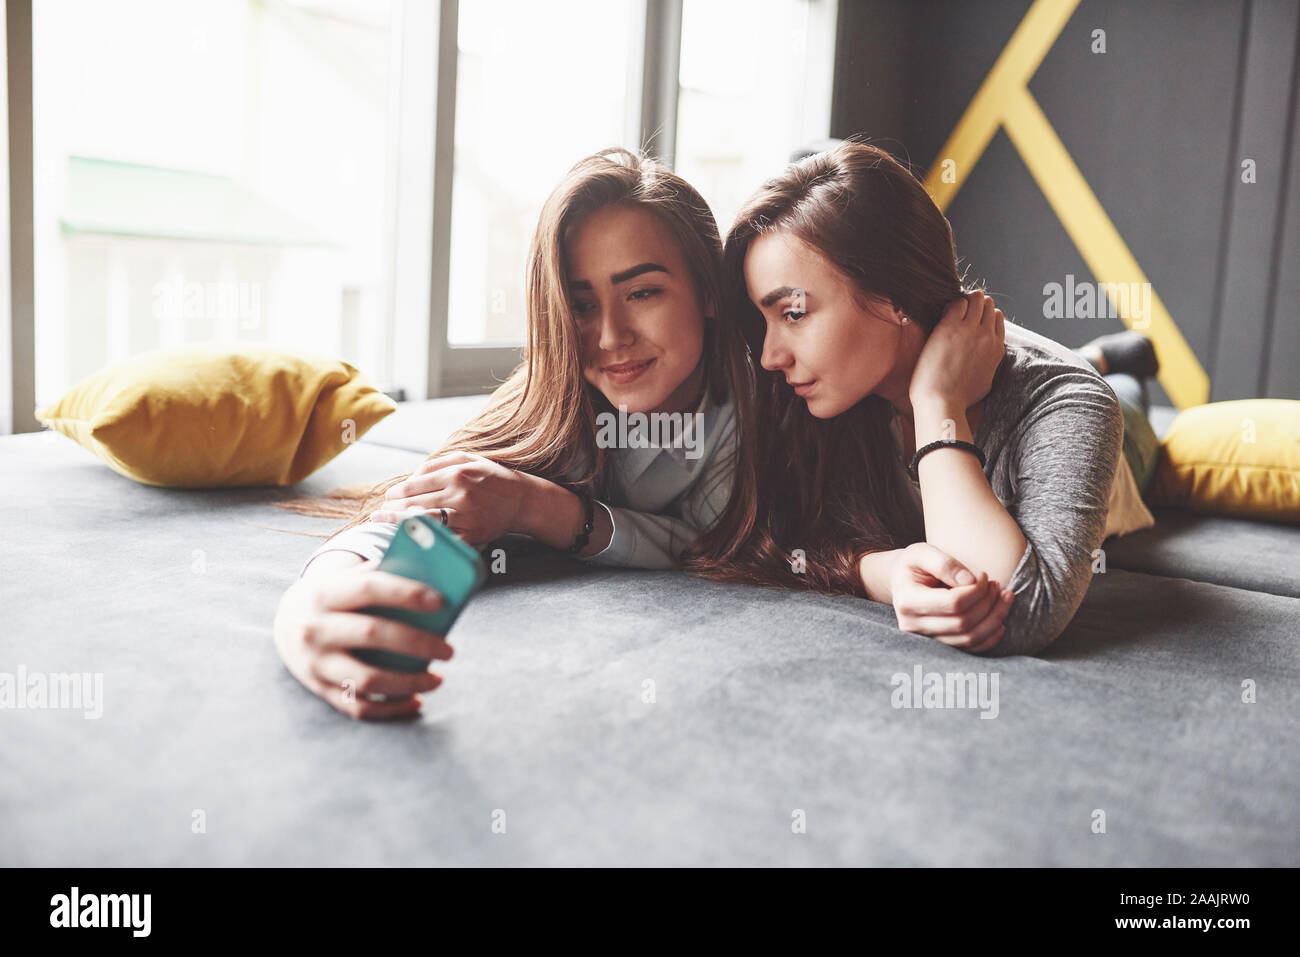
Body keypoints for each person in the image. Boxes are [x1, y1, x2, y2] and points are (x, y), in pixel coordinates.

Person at [272, 147, 755, 718]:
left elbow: (711, 547)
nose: (610, 337)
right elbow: (435, 509)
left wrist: (545, 510)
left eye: (642, 292)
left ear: (708, 293)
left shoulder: (753, 404)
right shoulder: (551, 407)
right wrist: (309, 605)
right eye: (580, 305)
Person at [695, 140, 1158, 656]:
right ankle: (1098, 351)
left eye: (794, 314)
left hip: (1124, 455)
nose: (770, 357)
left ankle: (1109, 361)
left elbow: (1015, 608)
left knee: (1129, 409)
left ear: (894, 295)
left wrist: (937, 405)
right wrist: (886, 573)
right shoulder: (817, 387)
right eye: (765, 320)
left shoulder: (1070, 402)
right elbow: (765, 537)